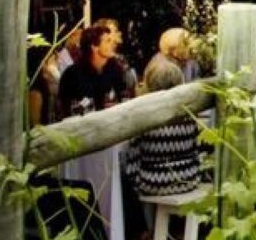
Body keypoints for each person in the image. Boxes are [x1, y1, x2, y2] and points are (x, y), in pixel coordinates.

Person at [129, 53, 204, 198]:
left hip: (152, 182)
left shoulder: (143, 115)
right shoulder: (188, 113)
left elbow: (133, 158)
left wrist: (136, 181)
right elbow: (196, 149)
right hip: (188, 178)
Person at [58, 23, 127, 114]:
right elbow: (68, 112)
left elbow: (124, 101)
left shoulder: (115, 70)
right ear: (94, 47)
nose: (113, 44)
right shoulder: (72, 76)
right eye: (108, 41)